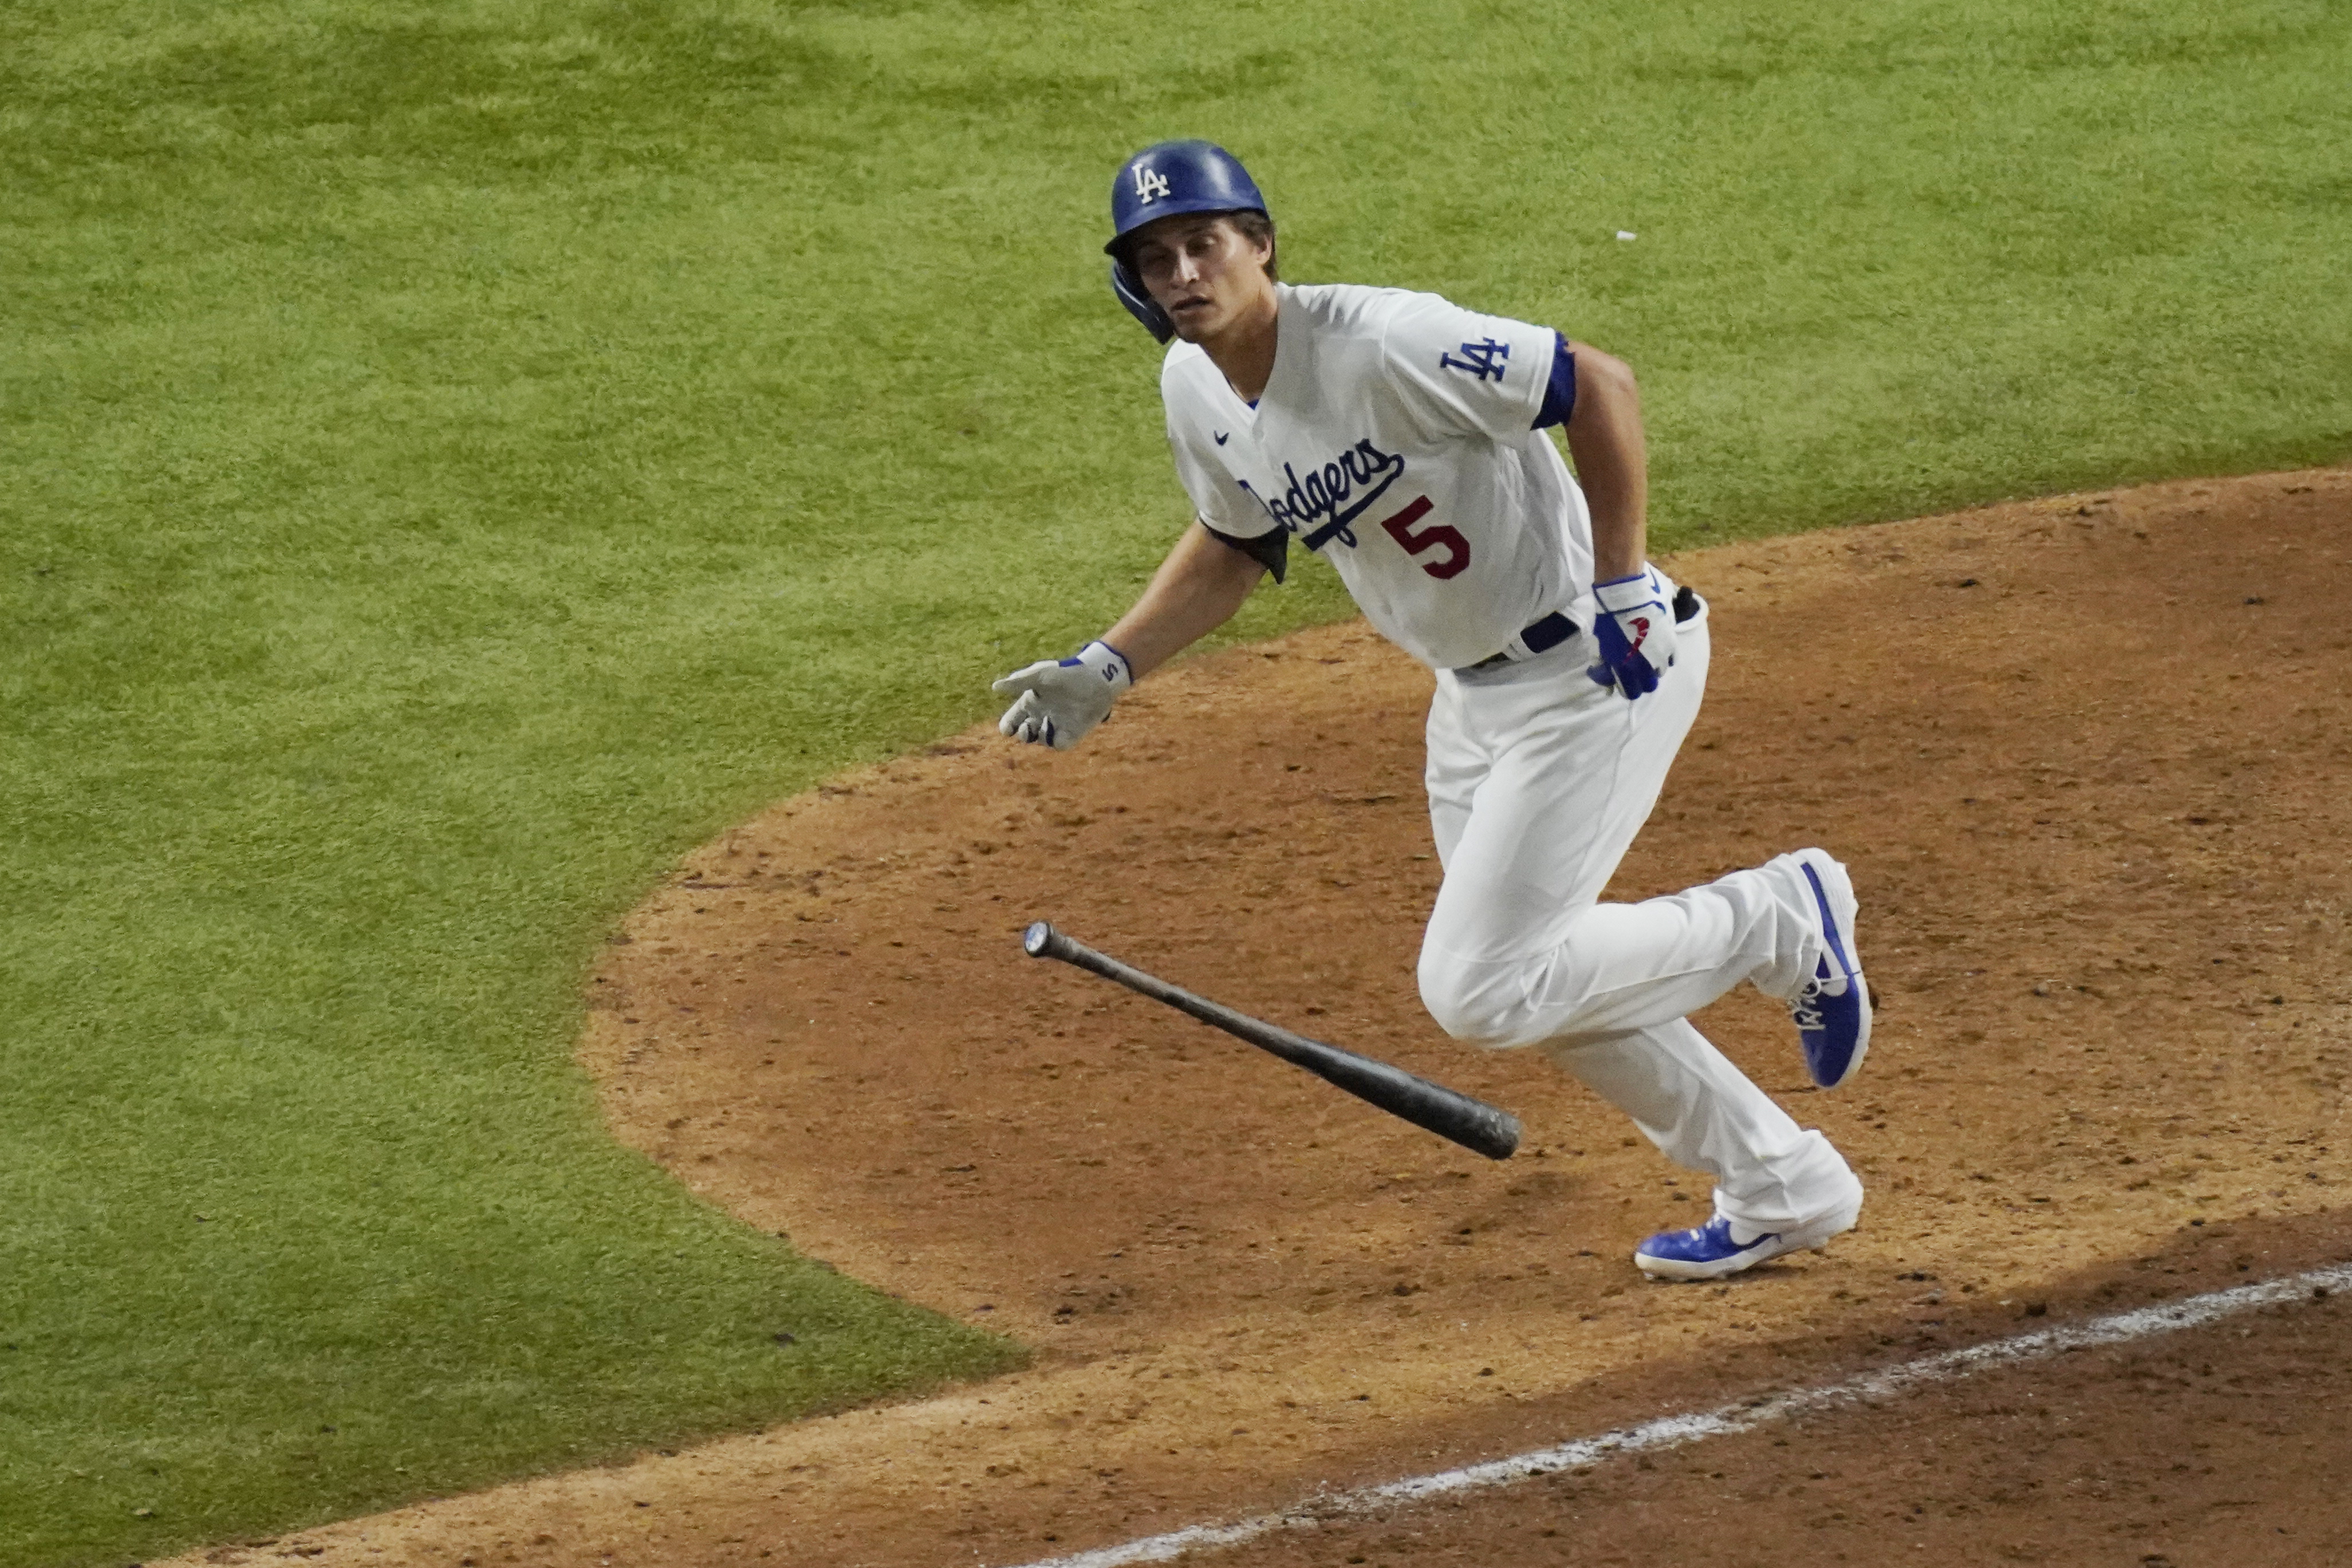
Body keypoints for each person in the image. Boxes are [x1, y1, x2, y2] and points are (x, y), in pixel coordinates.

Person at [992, 140, 1872, 1282]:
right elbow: (1236, 540)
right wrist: (1110, 664)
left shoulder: (1380, 340)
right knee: (1538, 983)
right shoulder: (1193, 385)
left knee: (1482, 983)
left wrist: (1619, 584)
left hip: (1594, 668)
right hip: (1470, 703)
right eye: (1154, 258)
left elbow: (1593, 382)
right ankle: (1776, 1180)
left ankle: (1773, 917)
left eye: (1202, 243)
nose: (1181, 274)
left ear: (1258, 244)